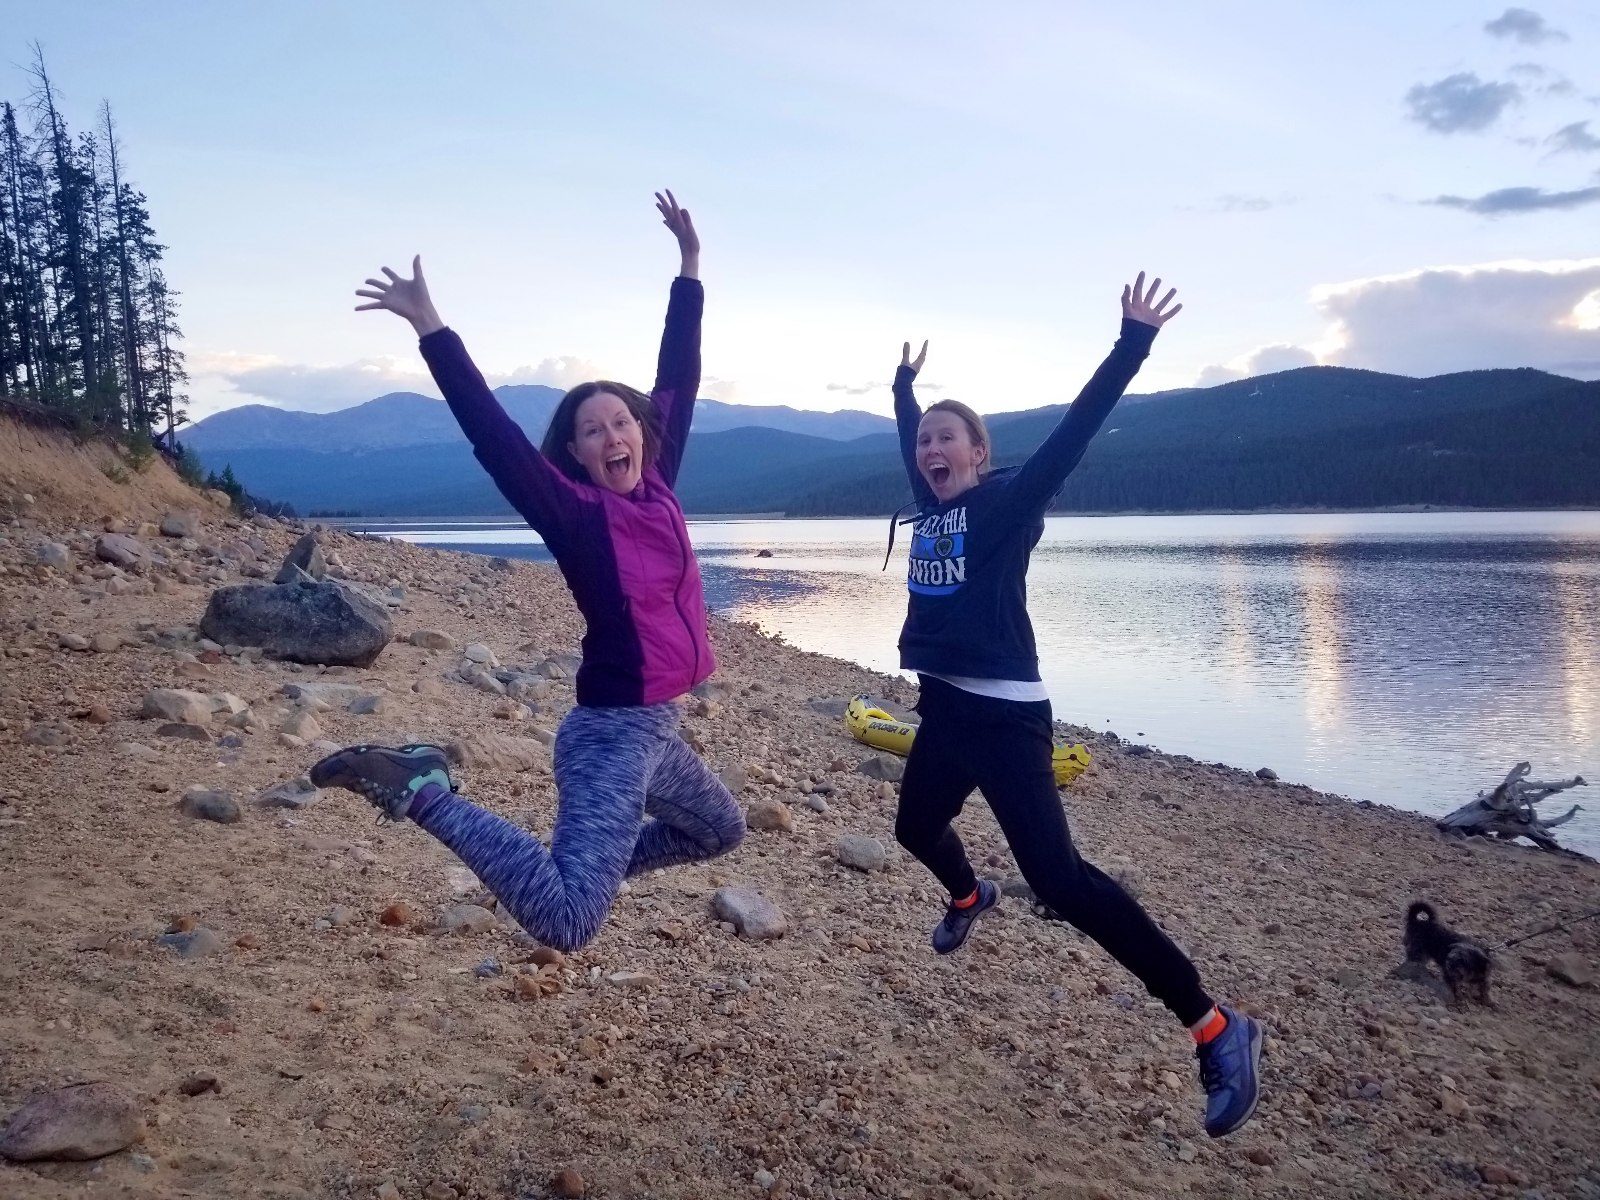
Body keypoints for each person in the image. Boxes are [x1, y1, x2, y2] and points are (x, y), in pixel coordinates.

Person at [309, 191, 745, 952]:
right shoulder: (577, 514)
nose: (611, 434)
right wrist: (431, 327)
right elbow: (492, 431)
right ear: (574, 454)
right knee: (564, 923)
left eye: (621, 422)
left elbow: (681, 370)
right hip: (610, 735)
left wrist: (690, 266)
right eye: (591, 429)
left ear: (641, 434)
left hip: (659, 729)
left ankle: (578, 872)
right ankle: (421, 789)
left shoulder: (659, 484)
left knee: (719, 830)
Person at [889, 274, 1263, 1138]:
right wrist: (905, 394)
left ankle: (1215, 1025)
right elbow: (914, 438)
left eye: (951, 440)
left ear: (980, 455)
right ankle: (969, 896)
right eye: (926, 444)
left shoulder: (1006, 505)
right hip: (944, 711)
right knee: (914, 831)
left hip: (1007, 721)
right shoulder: (931, 505)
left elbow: (1074, 433)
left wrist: (1131, 341)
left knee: (1059, 882)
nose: (932, 450)